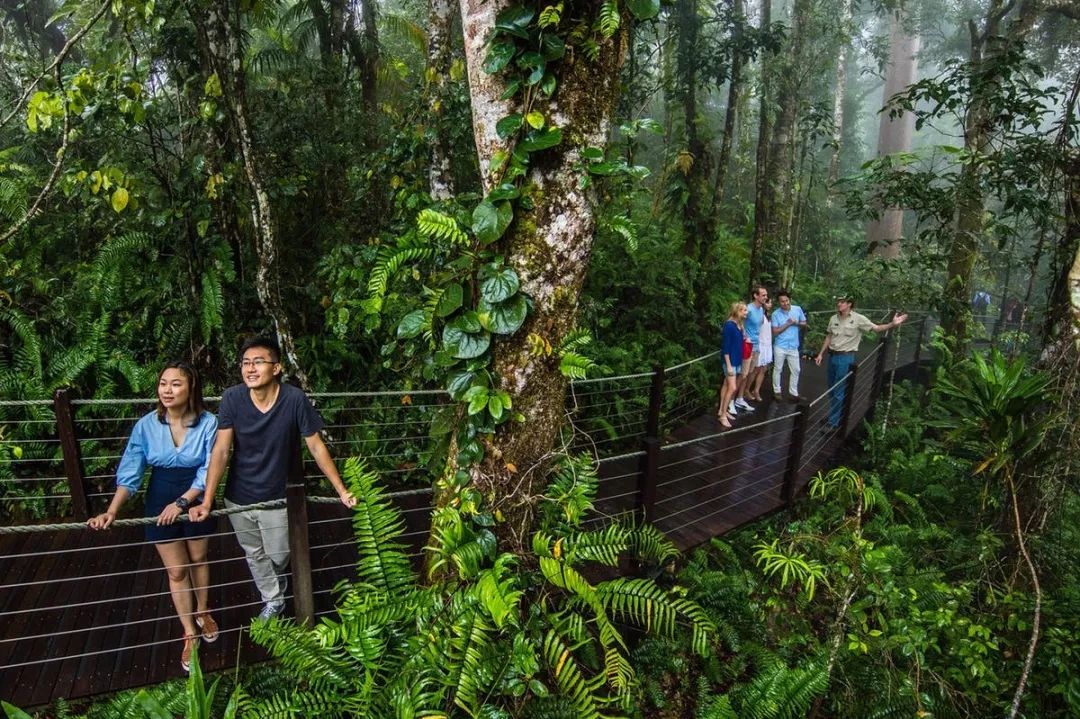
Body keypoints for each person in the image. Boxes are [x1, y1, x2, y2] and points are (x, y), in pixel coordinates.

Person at [189, 336, 357, 620]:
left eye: (258, 362)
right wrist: (207, 501)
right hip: (238, 496)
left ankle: (276, 588)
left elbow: (316, 446)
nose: (250, 368)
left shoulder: (294, 399)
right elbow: (221, 450)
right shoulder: (232, 398)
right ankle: (274, 601)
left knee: (279, 555)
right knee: (253, 554)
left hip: (277, 497)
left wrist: (341, 489)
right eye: (245, 363)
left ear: (276, 368)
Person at [88, 361, 219, 673]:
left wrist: (183, 502)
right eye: (163, 383)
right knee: (177, 570)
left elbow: (210, 468)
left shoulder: (209, 423)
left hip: (195, 496)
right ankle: (189, 632)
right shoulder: (146, 425)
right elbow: (131, 470)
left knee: (198, 558)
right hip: (160, 496)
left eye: (176, 384)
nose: (167, 390)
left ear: (191, 388)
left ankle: (203, 611)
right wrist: (112, 510)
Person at [815, 294, 907, 428]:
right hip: (832, 356)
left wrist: (892, 324)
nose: (839, 304)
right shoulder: (833, 318)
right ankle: (833, 414)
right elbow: (829, 336)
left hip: (845, 358)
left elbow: (876, 328)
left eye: (842, 302)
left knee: (839, 390)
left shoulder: (858, 319)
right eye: (838, 301)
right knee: (831, 388)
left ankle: (834, 422)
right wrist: (820, 353)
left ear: (849, 304)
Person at [735, 285, 768, 410]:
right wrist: (744, 336)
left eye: (766, 295)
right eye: (763, 295)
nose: (765, 297)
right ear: (755, 295)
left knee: (748, 374)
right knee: (742, 374)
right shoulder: (748, 309)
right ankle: (731, 400)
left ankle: (740, 398)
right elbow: (738, 322)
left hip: (756, 345)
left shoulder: (761, 309)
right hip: (747, 345)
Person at [771, 290, 807, 400]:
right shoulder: (775, 314)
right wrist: (787, 324)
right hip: (780, 346)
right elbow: (775, 331)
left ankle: (793, 393)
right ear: (779, 302)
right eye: (782, 301)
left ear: (790, 300)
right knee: (778, 369)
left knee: (796, 370)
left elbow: (804, 323)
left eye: (786, 300)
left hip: (793, 346)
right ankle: (777, 391)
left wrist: (796, 323)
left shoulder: (797, 309)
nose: (785, 303)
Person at [719, 302, 748, 429]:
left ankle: (722, 410)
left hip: (736, 359)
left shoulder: (738, 324)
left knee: (726, 385)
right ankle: (723, 416)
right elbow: (725, 347)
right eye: (744, 310)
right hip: (729, 361)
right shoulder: (729, 326)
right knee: (732, 387)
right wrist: (729, 365)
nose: (746, 313)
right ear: (737, 311)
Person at [751, 297, 773, 400]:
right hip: (760, 344)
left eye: (771, 303)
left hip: (767, 344)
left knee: (764, 369)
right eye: (768, 302)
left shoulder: (768, 316)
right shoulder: (760, 316)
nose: (770, 305)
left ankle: (756, 390)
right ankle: (747, 389)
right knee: (756, 369)